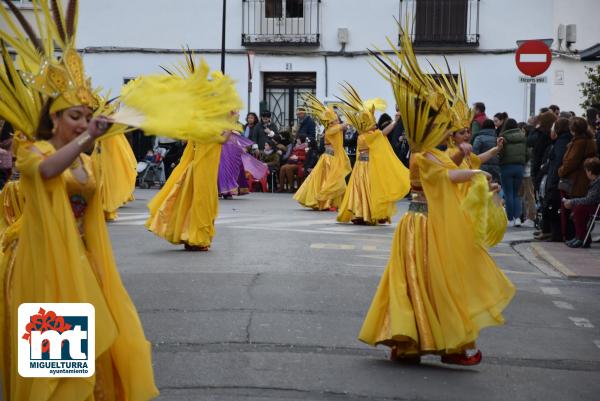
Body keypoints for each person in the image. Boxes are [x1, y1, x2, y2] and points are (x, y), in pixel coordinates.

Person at [0, 3, 159, 399]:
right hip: (46, 264)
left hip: (84, 259)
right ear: (53, 119)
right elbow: (49, 171)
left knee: (103, 342)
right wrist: (89, 135)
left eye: (86, 116)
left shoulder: (87, 158)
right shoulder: (31, 151)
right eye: (74, 116)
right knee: (59, 361)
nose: (81, 123)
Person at [360, 29, 514, 366]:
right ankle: (416, 342)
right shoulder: (422, 155)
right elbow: (447, 177)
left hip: (431, 223)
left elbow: (454, 171)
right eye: (443, 125)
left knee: (435, 282)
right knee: (422, 282)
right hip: (420, 225)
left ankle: (442, 345)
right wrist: (474, 173)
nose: (449, 130)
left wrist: (477, 176)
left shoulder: (433, 152)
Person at [336, 86, 410, 225]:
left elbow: (380, 133)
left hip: (361, 167)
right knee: (370, 190)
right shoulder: (368, 136)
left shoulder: (364, 135)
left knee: (363, 191)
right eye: (373, 124)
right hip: (365, 168)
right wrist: (395, 122)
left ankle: (362, 213)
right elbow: (384, 133)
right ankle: (365, 213)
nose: (375, 126)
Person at [294, 95, 352, 211]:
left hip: (332, 158)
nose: (337, 121)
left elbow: (343, 127)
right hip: (329, 159)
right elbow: (344, 126)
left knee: (333, 180)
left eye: (337, 119)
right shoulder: (331, 130)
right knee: (330, 180)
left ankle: (333, 202)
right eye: (335, 119)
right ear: (330, 122)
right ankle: (325, 201)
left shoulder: (333, 129)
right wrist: (352, 117)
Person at [558, 117, 598, 240]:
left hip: (575, 180)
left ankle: (577, 236)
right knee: (580, 209)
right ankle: (581, 236)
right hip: (584, 178)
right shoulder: (591, 140)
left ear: (574, 130)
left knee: (573, 209)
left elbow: (570, 162)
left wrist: (560, 171)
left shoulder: (578, 143)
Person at [563, 157, 600, 248]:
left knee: (580, 209)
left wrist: (572, 202)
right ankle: (579, 236)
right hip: (596, 205)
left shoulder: (597, 183)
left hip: (597, 206)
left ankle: (581, 237)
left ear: (590, 171)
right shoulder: (595, 182)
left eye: (586, 171)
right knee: (580, 208)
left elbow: (590, 200)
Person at [499, 118, 527, 226]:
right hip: (519, 167)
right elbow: (527, 153)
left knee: (508, 193)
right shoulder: (523, 137)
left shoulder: (503, 137)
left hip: (506, 167)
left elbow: (500, 152)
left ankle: (510, 219)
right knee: (516, 194)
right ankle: (518, 218)